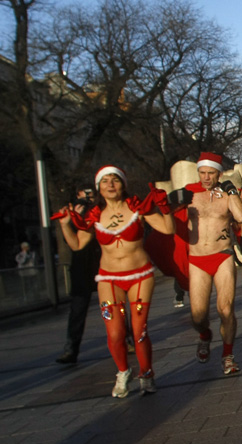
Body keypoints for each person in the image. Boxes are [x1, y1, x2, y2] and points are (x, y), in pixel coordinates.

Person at [56, 166, 174, 397]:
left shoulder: (137, 208)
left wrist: (164, 206)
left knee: (139, 331)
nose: (110, 185)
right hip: (109, 280)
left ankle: (146, 373)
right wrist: (64, 224)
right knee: (115, 333)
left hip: (140, 277)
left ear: (123, 184)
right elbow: (77, 244)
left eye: (115, 180)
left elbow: (168, 229)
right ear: (99, 188)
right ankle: (123, 372)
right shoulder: (94, 215)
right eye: (105, 181)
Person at [168, 152, 242, 376]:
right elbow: (167, 218)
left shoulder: (225, 195)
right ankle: (204, 335)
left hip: (222, 255)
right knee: (198, 315)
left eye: (210, 173)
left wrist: (232, 192)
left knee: (226, 309)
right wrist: (173, 201)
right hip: (197, 259)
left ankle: (228, 355)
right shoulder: (190, 195)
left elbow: (241, 217)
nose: (205, 177)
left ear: (218, 174)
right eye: (202, 173)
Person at [55, 187, 100, 364]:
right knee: (77, 310)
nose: (87, 199)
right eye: (83, 196)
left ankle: (125, 338)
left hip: (100, 263)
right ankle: (71, 349)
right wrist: (72, 219)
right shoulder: (73, 214)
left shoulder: (100, 211)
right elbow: (72, 242)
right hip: (81, 267)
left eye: (90, 195)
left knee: (111, 306)